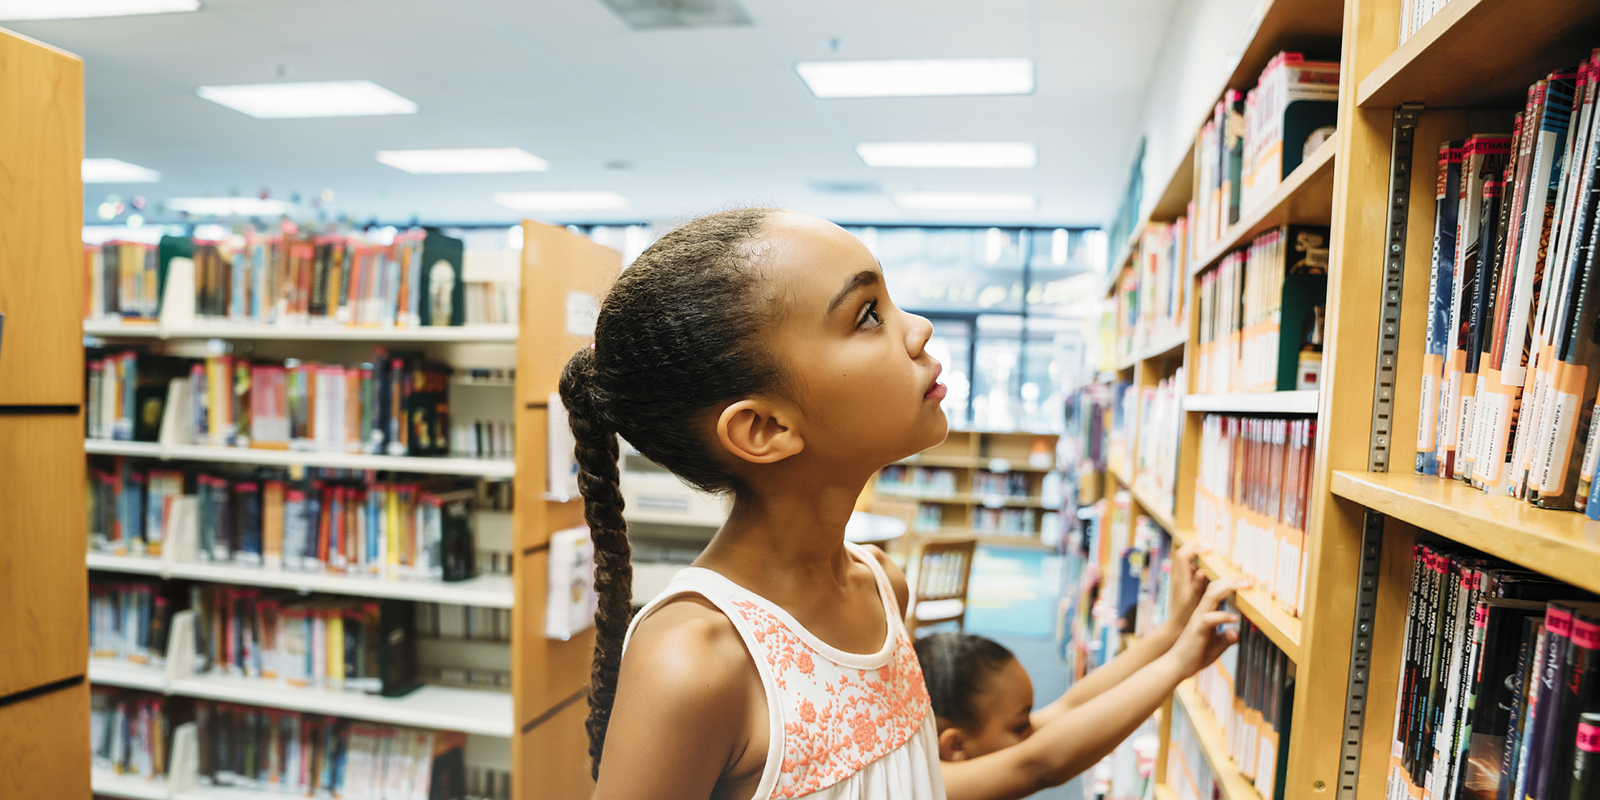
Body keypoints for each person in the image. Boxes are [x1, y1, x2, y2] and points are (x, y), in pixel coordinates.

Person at [559, 208, 955, 799]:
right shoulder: (696, 662)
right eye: (868, 315)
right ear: (764, 429)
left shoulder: (884, 588)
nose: (918, 328)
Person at [915, 543, 1245, 800]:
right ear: (954, 746)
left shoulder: (935, 750)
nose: (1034, 732)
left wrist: (1173, 633)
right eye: (1018, 726)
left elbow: (1070, 707)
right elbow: (1039, 764)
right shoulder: (927, 786)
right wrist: (1176, 665)